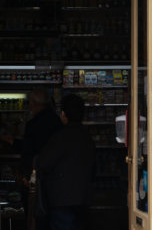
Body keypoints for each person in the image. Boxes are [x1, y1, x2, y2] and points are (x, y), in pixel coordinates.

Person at [35, 93, 95, 230]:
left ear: (63, 114)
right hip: (83, 198)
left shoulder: (60, 137)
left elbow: (43, 163)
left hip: (62, 199)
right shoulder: (87, 137)